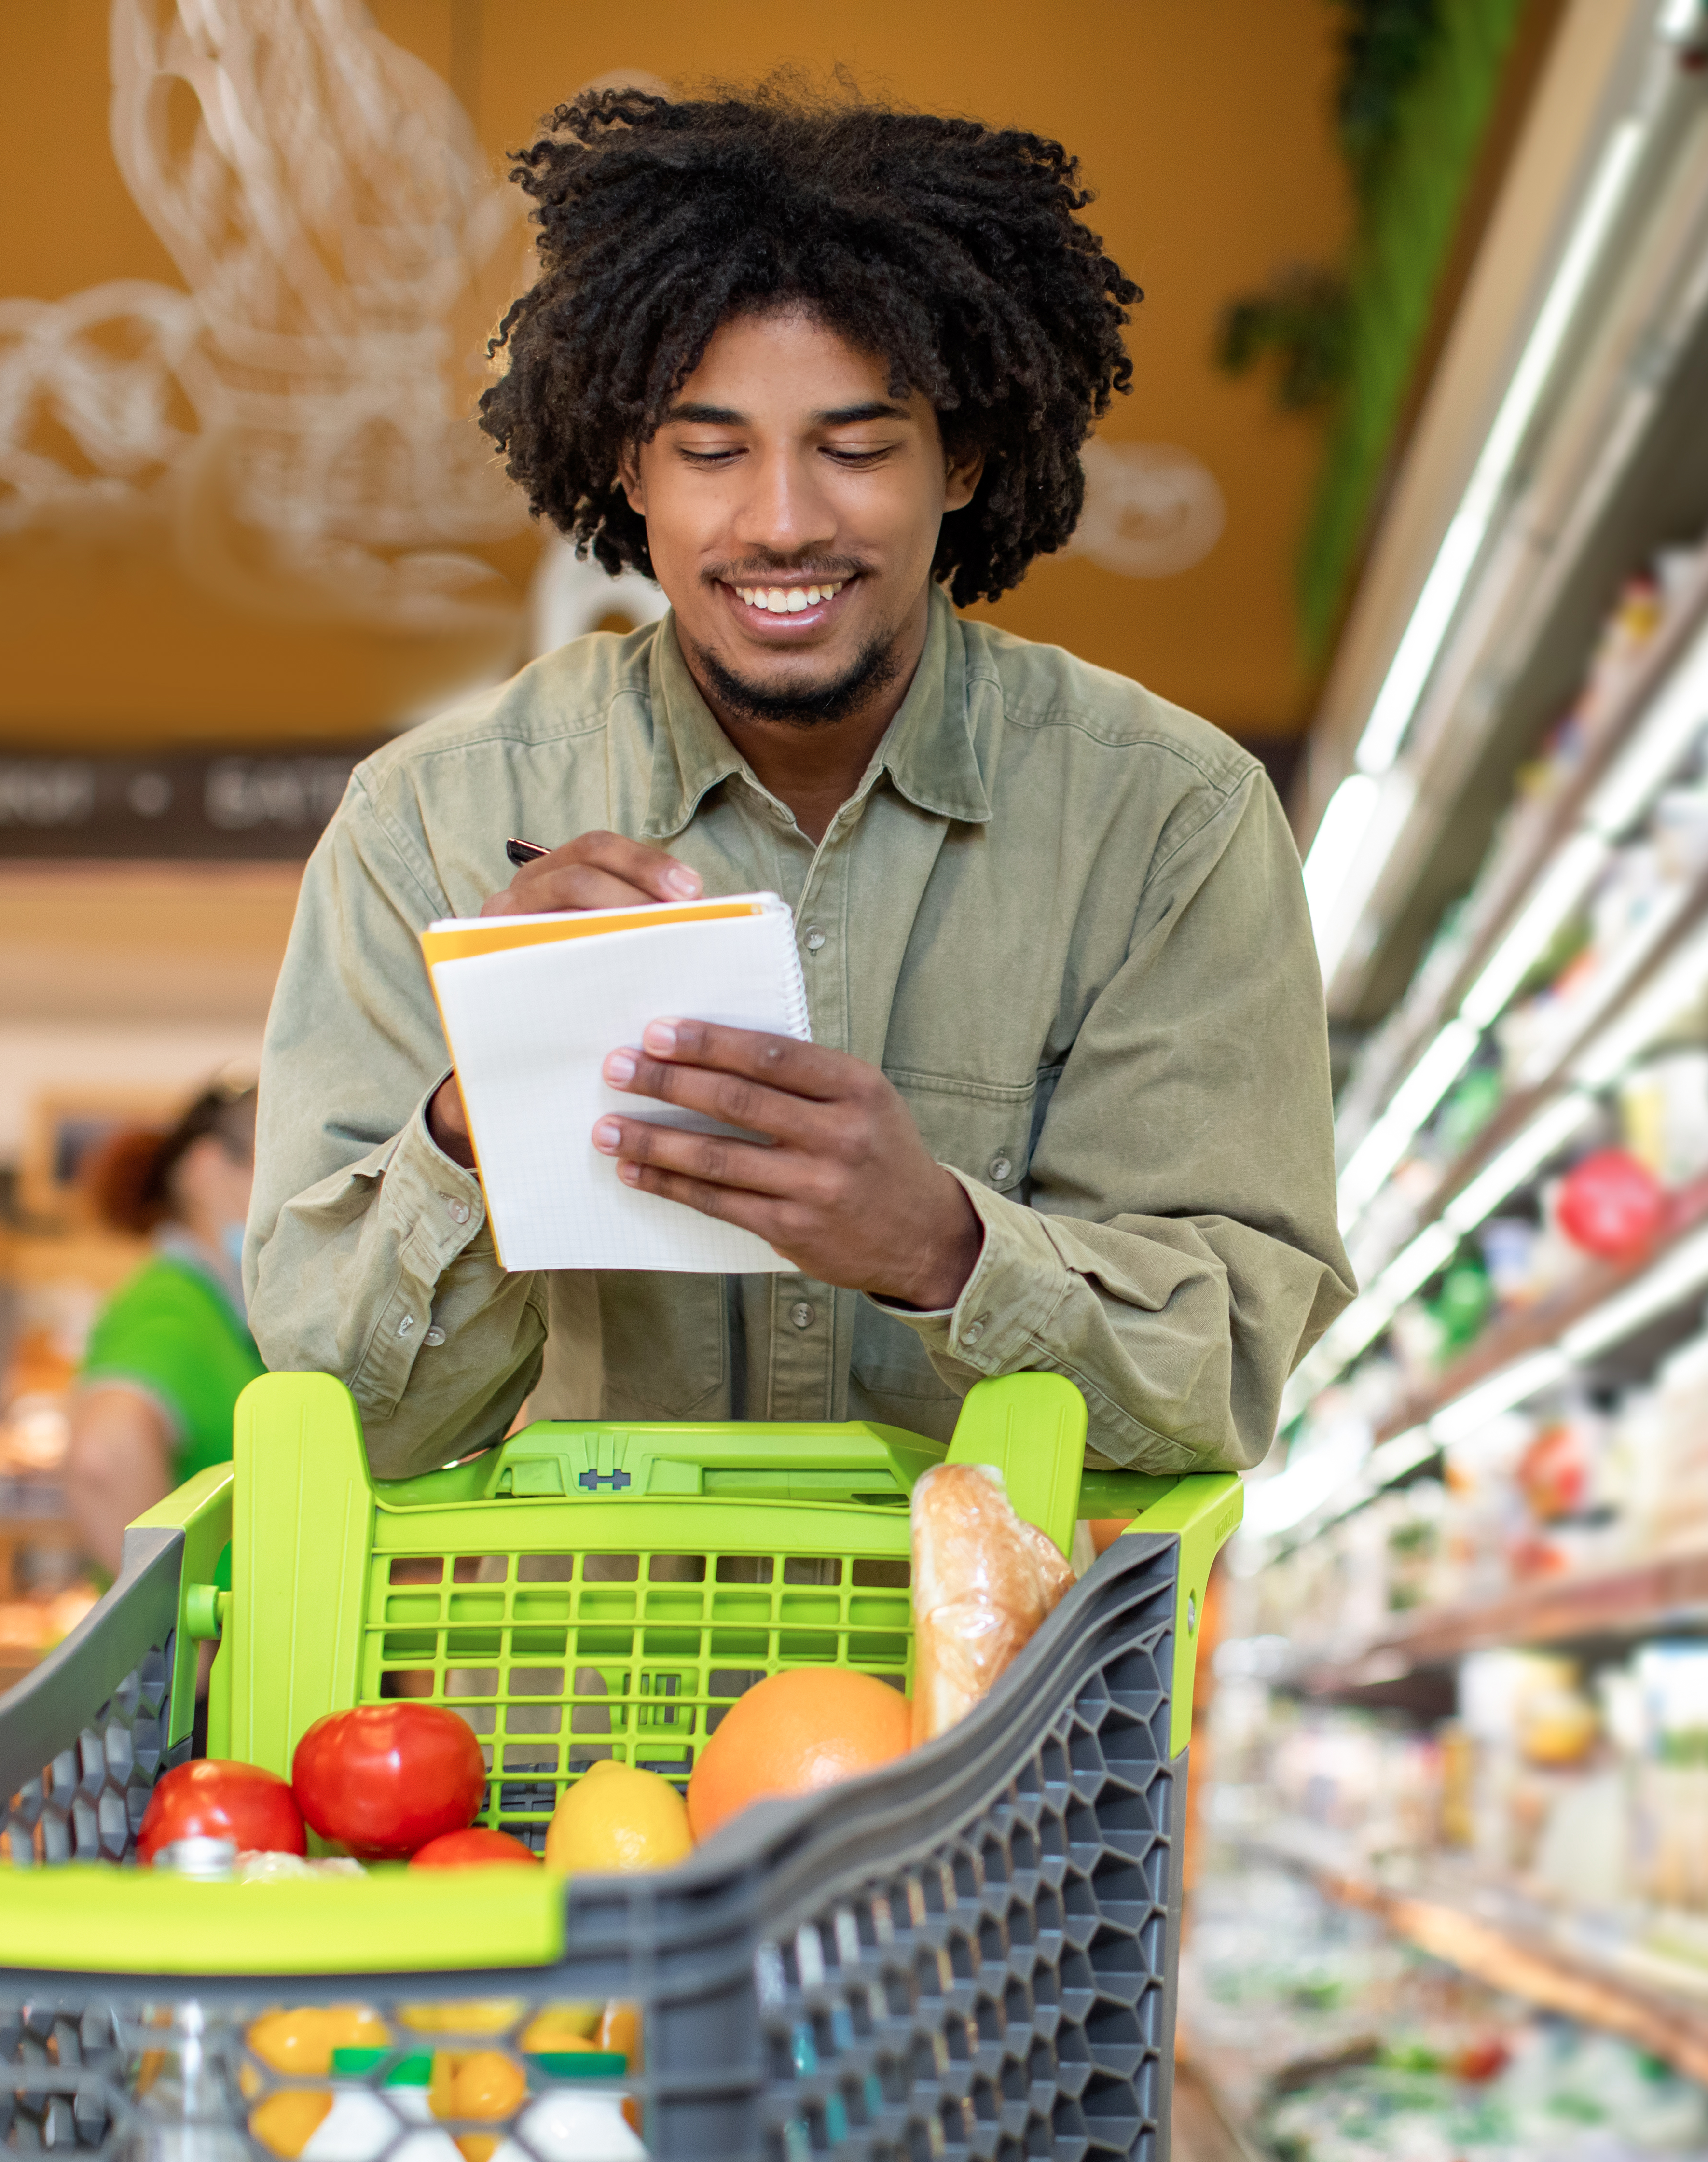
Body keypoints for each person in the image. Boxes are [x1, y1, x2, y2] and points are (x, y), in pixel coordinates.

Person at [246, 87, 1353, 1482]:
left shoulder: (1165, 825)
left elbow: (1232, 1377)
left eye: (857, 447)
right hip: (575, 1688)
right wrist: (483, 1111)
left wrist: (940, 1247)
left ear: (968, 459)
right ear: (626, 468)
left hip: (1000, 1694)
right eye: (712, 450)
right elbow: (354, 1428)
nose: (781, 520)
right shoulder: (426, 824)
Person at [66, 1081, 264, 1571]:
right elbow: (103, 1459)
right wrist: (181, 1634)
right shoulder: (171, 1304)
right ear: (208, 1171)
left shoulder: (224, 1315)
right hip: (223, 1647)